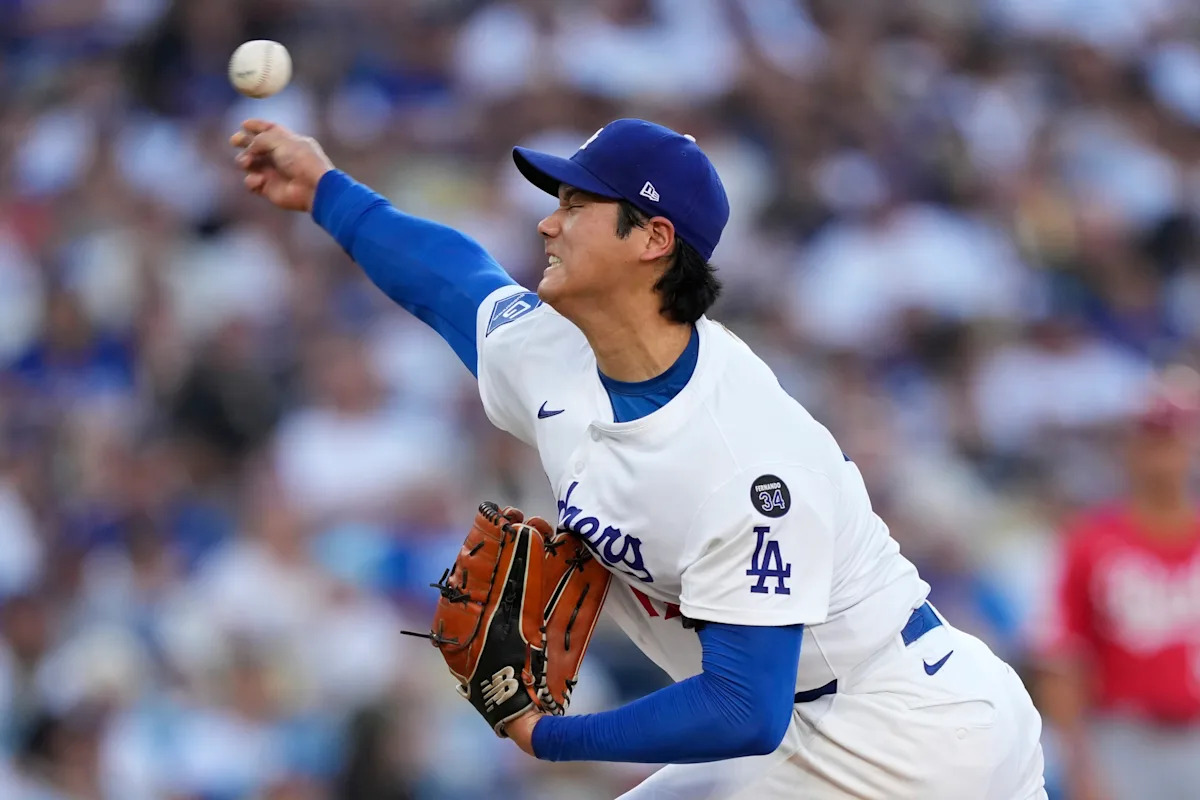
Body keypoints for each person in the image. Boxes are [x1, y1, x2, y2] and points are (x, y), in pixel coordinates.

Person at [230, 116, 1046, 799]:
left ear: (654, 239)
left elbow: (743, 708)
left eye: (578, 204)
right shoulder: (554, 353)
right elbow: (450, 281)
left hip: (910, 735)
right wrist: (327, 189)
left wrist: (550, 735)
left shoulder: (743, 458)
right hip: (808, 721)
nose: (548, 222)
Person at [1036, 367, 1200, 800]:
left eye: (1173, 439)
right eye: (1151, 439)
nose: (1162, 456)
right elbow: (1062, 659)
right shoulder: (1092, 541)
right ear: (1129, 447)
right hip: (1123, 737)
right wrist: (1080, 766)